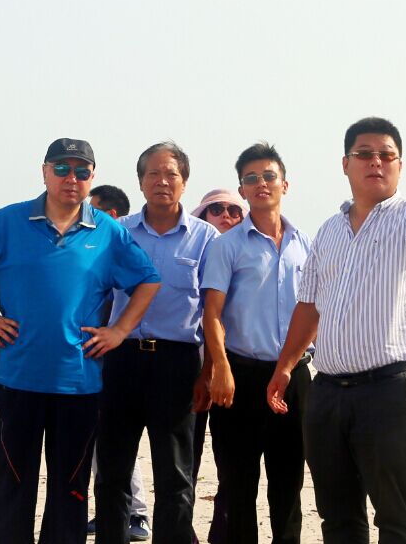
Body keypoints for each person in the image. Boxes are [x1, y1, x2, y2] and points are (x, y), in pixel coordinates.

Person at [266, 116, 406, 544]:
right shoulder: (329, 230)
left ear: (400, 165)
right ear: (345, 164)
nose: (376, 162)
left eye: (387, 155)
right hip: (328, 392)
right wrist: (285, 366)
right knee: (338, 516)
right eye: (365, 154)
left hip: (390, 390)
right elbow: (309, 307)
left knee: (396, 517)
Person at [0, 137, 162, 544]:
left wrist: (119, 331)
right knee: (13, 483)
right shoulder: (8, 222)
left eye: (81, 171)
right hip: (16, 379)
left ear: (91, 177)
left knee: (70, 489)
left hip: (80, 383)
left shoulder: (108, 231)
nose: (71, 178)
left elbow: (148, 280)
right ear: (44, 172)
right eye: (61, 168)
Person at [95, 142, 221, 544]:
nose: (162, 181)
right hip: (121, 360)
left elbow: (214, 311)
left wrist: (209, 370)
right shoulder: (117, 232)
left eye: (171, 174)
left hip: (177, 365)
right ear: (140, 182)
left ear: (184, 182)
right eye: (153, 173)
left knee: (176, 476)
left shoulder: (206, 238)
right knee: (112, 472)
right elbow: (97, 293)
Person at [202, 145, 310, 544]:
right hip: (240, 378)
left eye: (268, 176)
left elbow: (314, 311)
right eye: (251, 178)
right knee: (239, 486)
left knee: (289, 485)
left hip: (294, 377)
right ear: (242, 190)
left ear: (285, 184)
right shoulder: (227, 246)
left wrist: (294, 363)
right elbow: (211, 313)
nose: (261, 184)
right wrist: (221, 369)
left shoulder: (305, 244)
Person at [87, 184, 154, 542]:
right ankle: (111, 514)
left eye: (93, 210)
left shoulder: (120, 243)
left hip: (122, 354)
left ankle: (137, 513)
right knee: (106, 445)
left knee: (119, 445)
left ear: (110, 215)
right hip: (98, 356)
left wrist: (111, 335)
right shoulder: (99, 244)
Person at [190, 188, 244, 544]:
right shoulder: (193, 253)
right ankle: (183, 530)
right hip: (191, 364)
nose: (226, 215)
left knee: (232, 460)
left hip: (237, 367)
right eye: (217, 209)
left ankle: (222, 532)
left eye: (234, 210)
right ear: (203, 216)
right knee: (186, 457)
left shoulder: (250, 257)